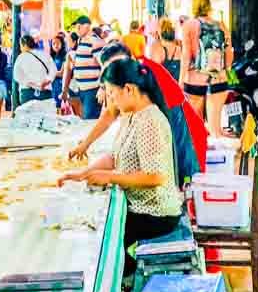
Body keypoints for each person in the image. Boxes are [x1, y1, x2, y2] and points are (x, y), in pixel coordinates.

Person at [59, 59, 182, 262]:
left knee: (98, 233)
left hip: (157, 213)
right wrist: (84, 174)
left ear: (129, 90)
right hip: (140, 206)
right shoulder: (131, 115)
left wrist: (109, 177)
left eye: (112, 94)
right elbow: (115, 156)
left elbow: (155, 177)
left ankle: (122, 279)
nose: (111, 102)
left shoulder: (150, 120)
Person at [70, 42, 205, 186]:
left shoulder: (146, 74)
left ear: (131, 60)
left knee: (180, 168)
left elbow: (155, 173)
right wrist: (85, 144)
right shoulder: (116, 78)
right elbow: (110, 112)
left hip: (174, 115)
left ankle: (186, 196)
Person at [182, 0, 233, 137]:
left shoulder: (189, 25)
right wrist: (227, 73)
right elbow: (229, 53)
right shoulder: (221, 25)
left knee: (196, 128)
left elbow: (186, 56)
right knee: (216, 129)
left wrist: (181, 80)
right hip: (219, 78)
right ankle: (220, 157)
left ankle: (200, 158)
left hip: (195, 79)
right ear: (209, 6)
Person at [63, 15, 104, 119]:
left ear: (85, 26)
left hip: (92, 90)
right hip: (83, 90)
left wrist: (102, 87)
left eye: (78, 27)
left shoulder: (94, 41)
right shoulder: (82, 41)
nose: (76, 30)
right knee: (86, 121)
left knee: (90, 122)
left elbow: (105, 65)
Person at [12, 34, 56, 106]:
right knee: (45, 116)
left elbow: (17, 76)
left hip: (27, 92)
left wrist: (32, 84)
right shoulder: (45, 55)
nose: (20, 48)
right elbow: (53, 71)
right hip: (45, 91)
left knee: (28, 116)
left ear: (25, 45)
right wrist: (47, 81)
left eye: (21, 46)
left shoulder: (21, 57)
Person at [62, 31, 84, 118]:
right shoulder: (84, 53)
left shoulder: (70, 54)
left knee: (77, 115)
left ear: (74, 42)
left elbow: (67, 74)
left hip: (73, 87)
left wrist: (64, 90)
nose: (67, 44)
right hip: (83, 87)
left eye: (68, 41)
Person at [49, 34, 67, 108]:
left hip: (61, 85)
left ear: (62, 44)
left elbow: (62, 73)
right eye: (53, 43)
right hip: (52, 85)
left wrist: (50, 73)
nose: (56, 45)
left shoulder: (65, 56)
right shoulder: (51, 57)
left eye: (58, 43)